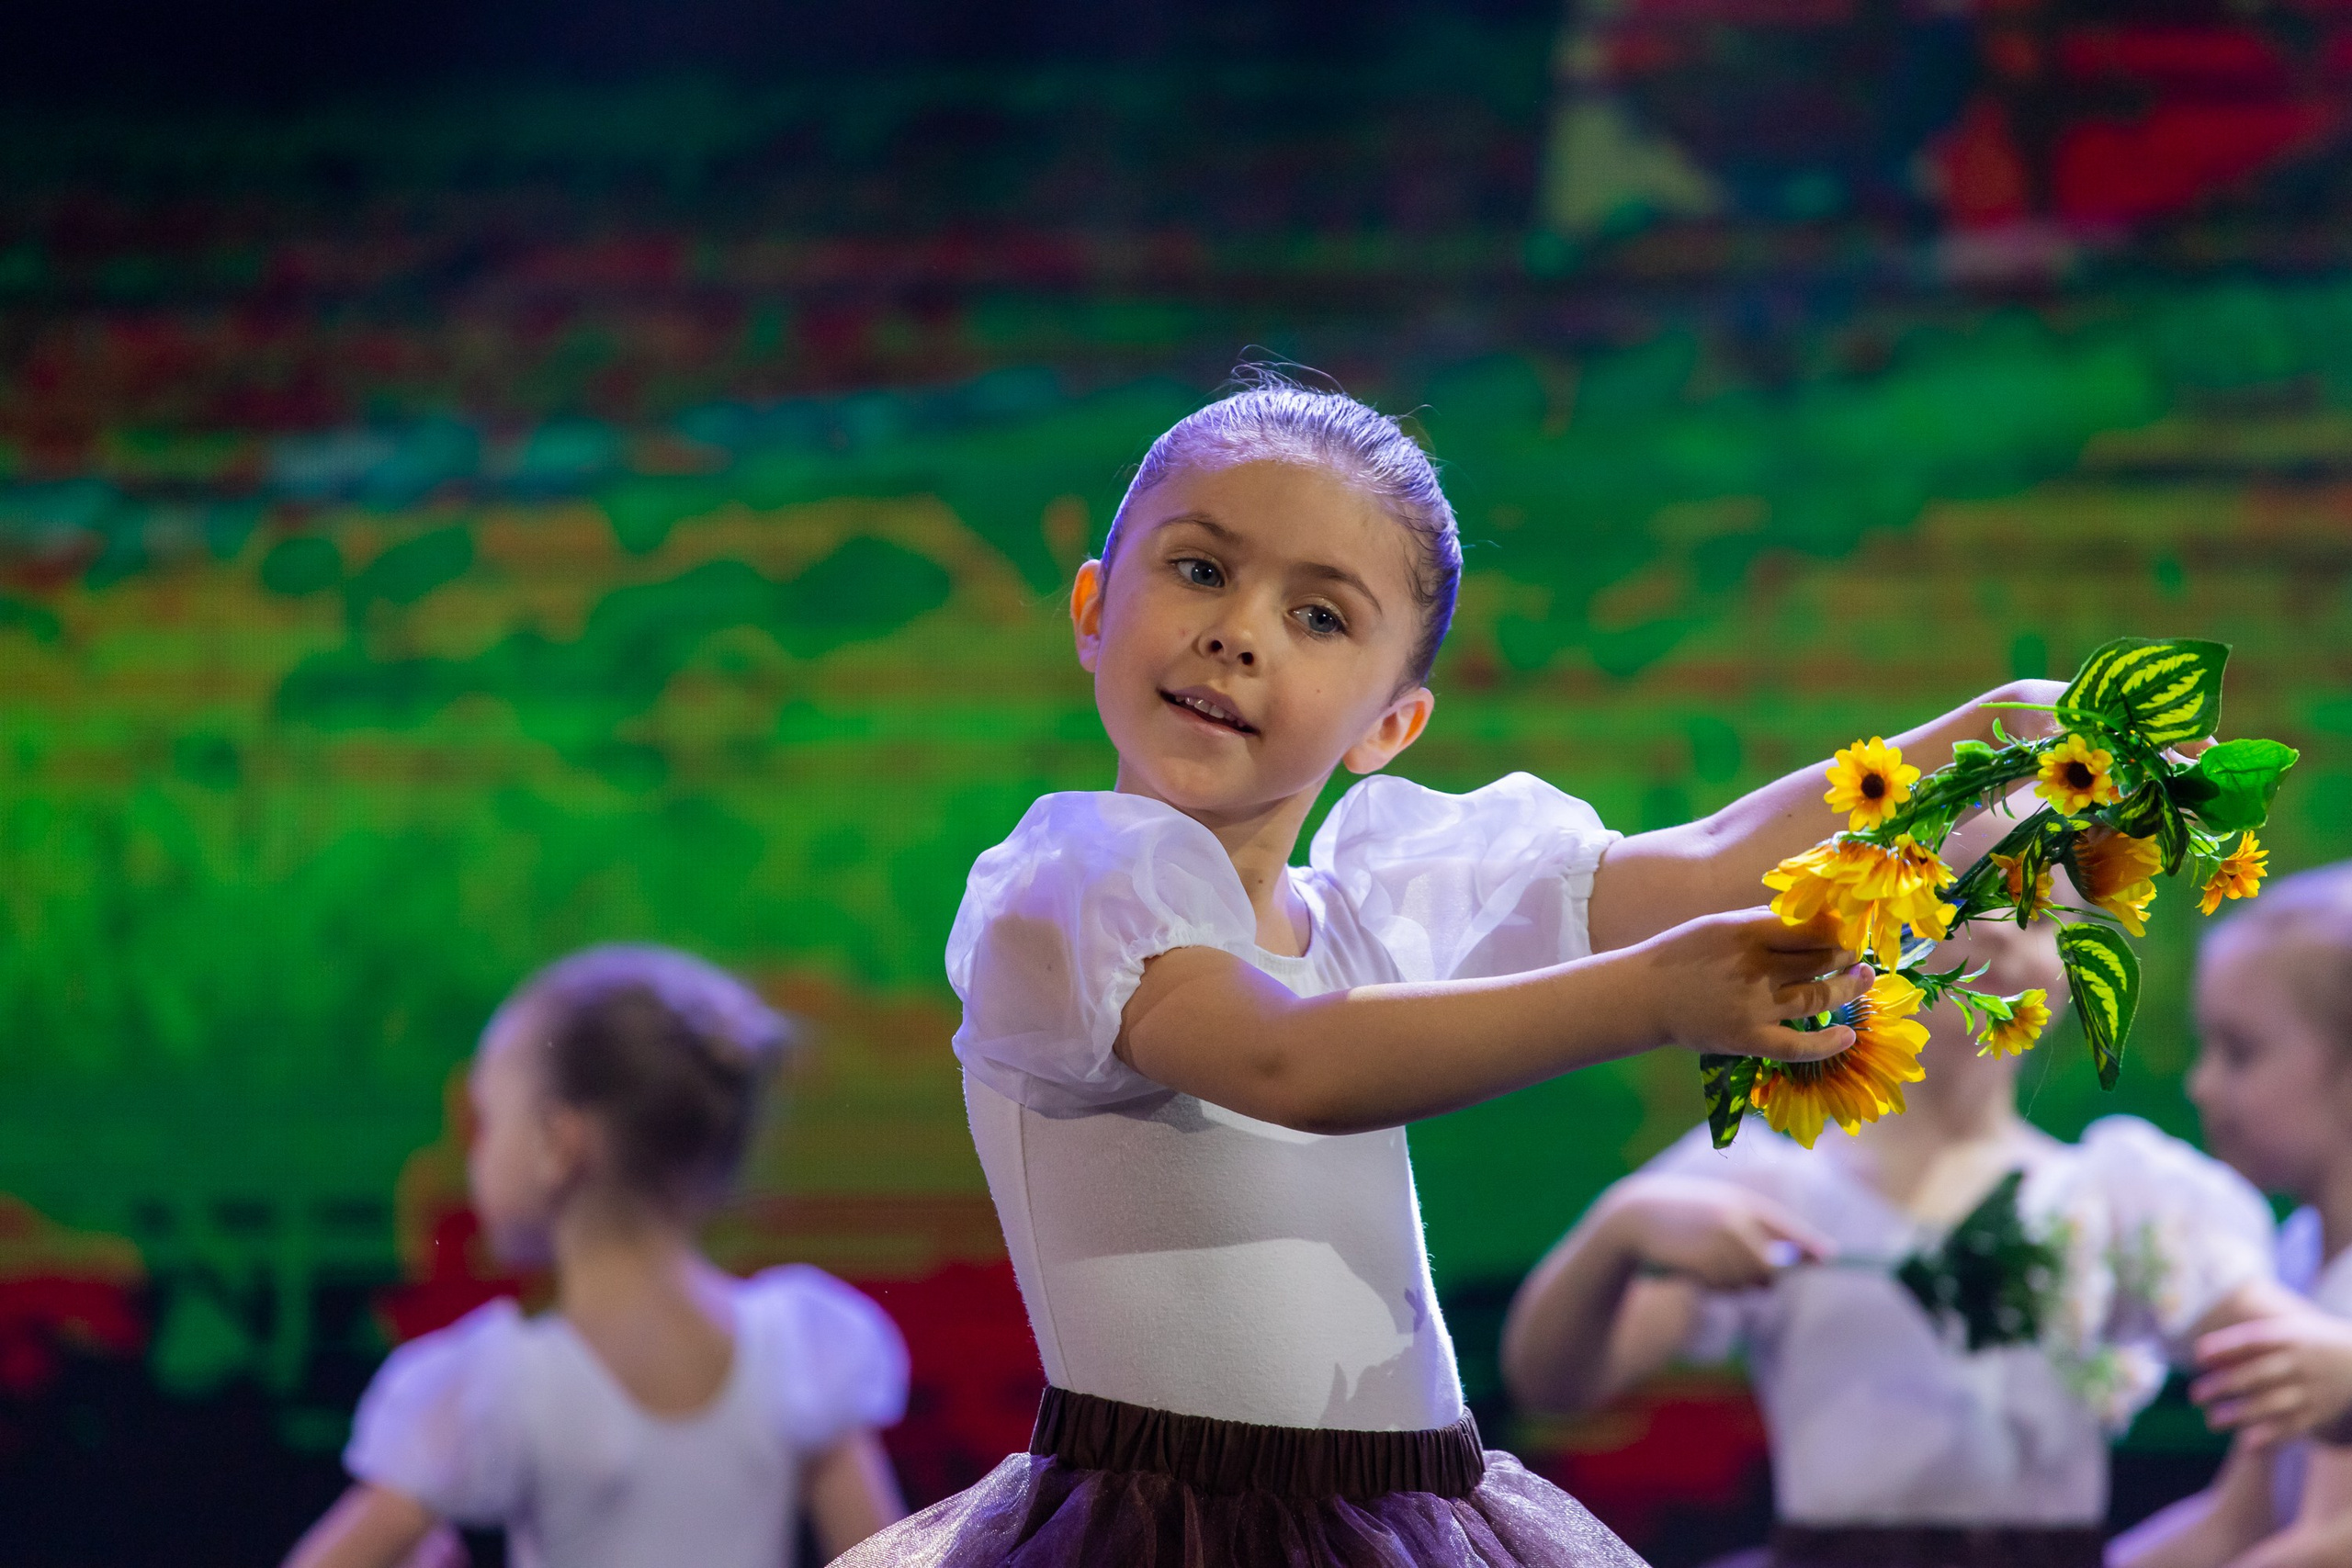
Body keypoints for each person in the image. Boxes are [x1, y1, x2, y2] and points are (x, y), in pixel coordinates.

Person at [835, 372, 2072, 1568]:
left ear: (1391, 724)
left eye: (1318, 615)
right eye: (1201, 567)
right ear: (1094, 607)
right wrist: (1652, 994)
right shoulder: (1069, 891)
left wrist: (1979, 735)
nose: (1237, 630)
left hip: (1411, 1512)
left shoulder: (1375, 910)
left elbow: (1698, 864)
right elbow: (1291, 1060)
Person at [1500, 812, 2311, 1568]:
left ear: (2070, 969)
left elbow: (2289, 1356)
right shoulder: (1771, 1186)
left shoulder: (2117, 1195)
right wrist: (1620, 1230)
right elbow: (1557, 1383)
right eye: (1956, 902)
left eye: (2035, 911)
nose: (1999, 931)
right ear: (1871, 937)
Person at [284, 945, 910, 1568]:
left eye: (488, 1120)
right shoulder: (801, 1348)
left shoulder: (499, 1384)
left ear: (557, 1142)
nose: (473, 1155)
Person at [2108, 864, 2352, 1568]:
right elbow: (2241, 1519)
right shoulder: (2301, 1250)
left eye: (2241, 1051)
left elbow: (2331, 1541)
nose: (2202, 1082)